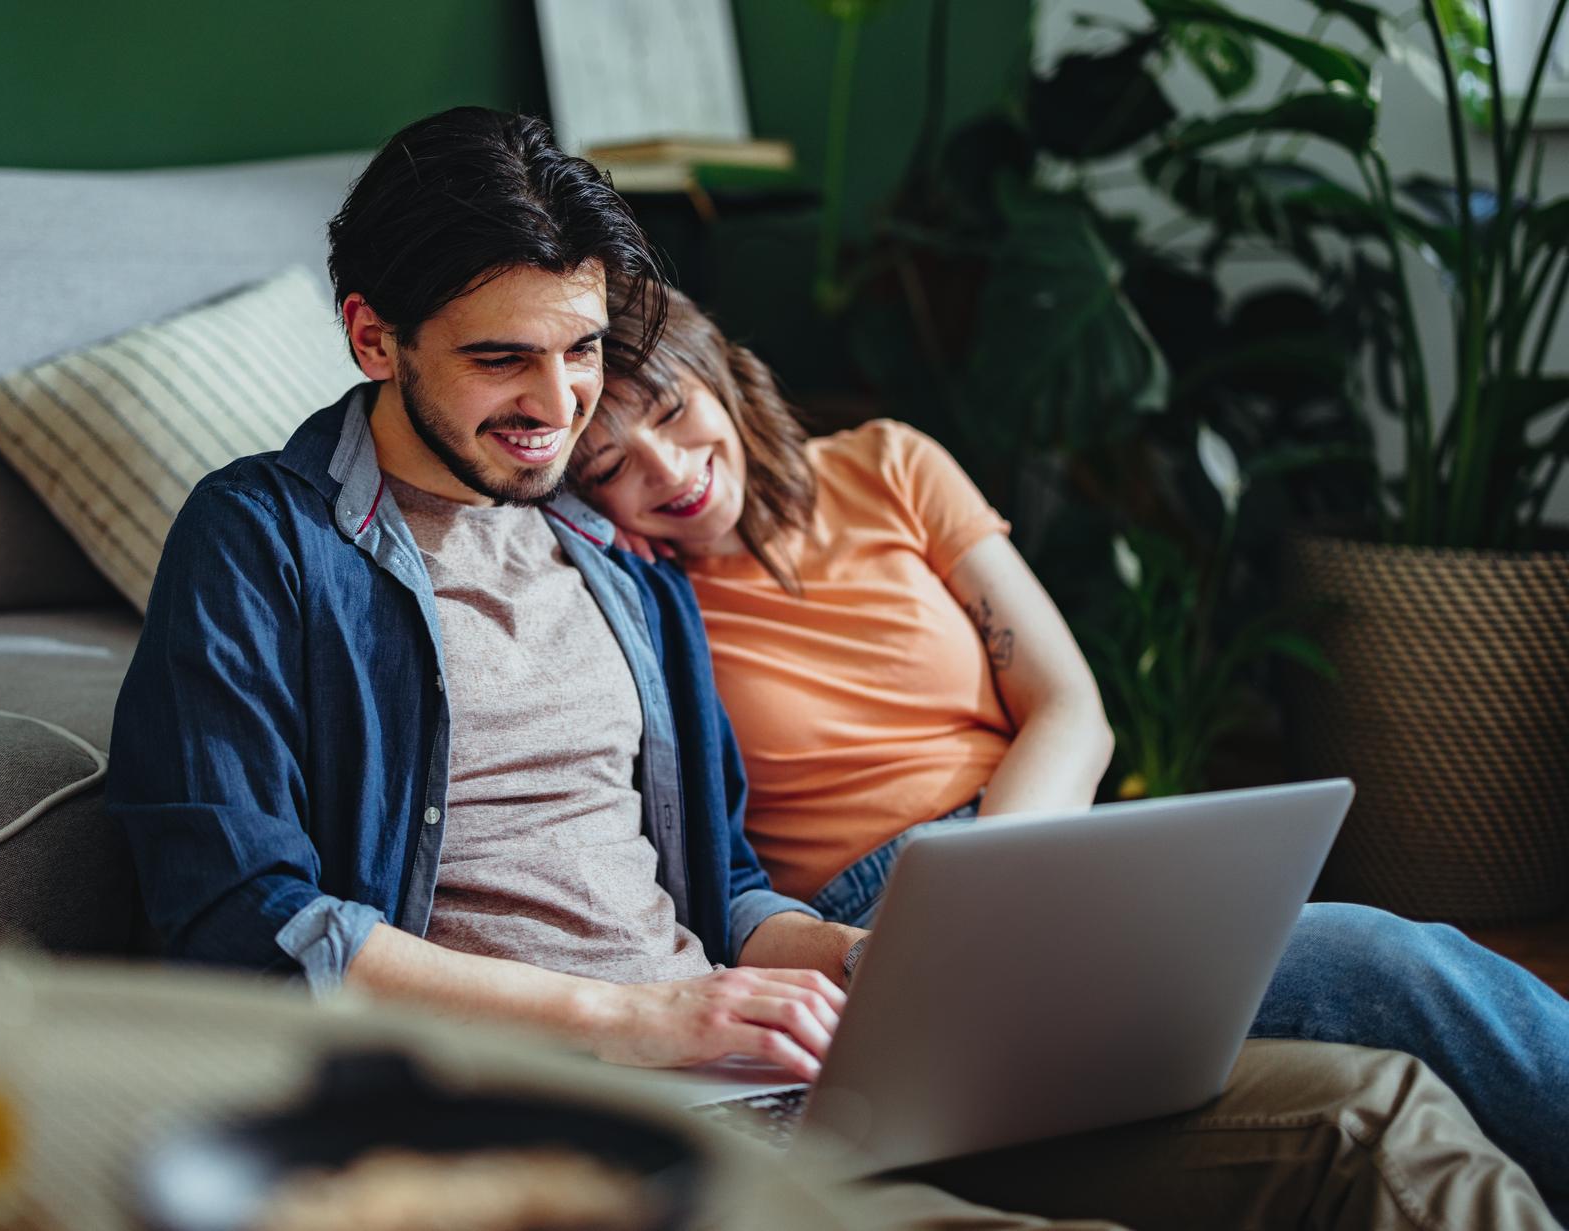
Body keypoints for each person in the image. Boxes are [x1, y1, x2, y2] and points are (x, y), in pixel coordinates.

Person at [106, 106, 1556, 1228]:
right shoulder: (264, 541)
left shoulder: (613, 568)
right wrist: (642, 1017)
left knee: (1380, 1108)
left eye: (584, 353)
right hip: (577, 1110)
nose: (557, 409)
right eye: (502, 362)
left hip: (799, 1068)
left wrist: (881, 960)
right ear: (373, 335)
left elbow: (724, 887)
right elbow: (255, 925)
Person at [571, 284, 1569, 1217]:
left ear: (717, 373)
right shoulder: (647, 601)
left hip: (1049, 840)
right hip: (880, 918)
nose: (666, 471)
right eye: (609, 465)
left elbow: (1070, 707)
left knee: (1400, 966)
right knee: (1381, 968)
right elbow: (718, 871)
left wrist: (1002, 877)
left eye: (669, 412)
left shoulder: (887, 463)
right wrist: (950, 912)